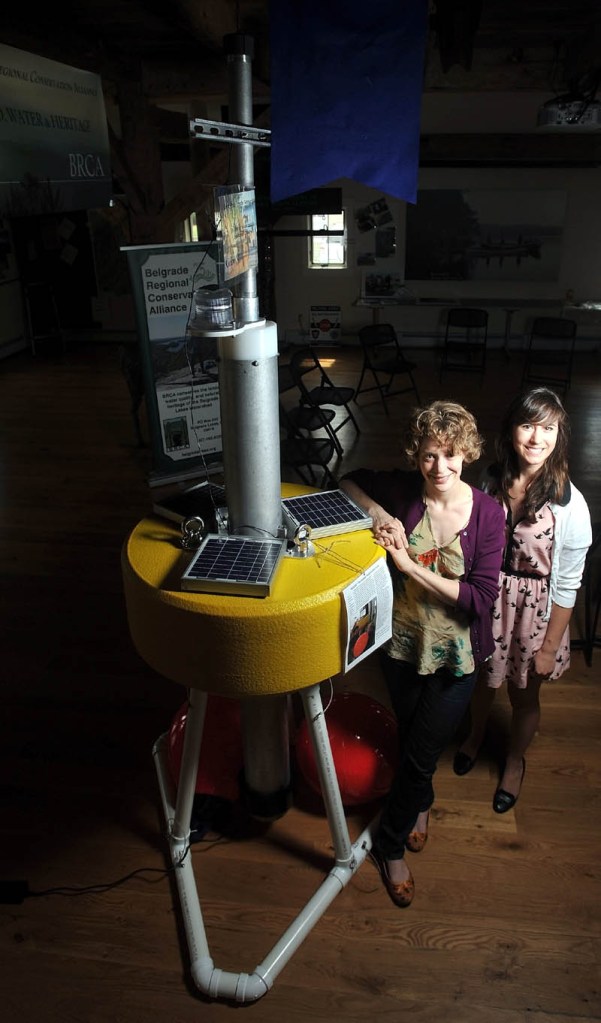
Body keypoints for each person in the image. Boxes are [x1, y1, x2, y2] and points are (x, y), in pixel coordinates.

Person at [340, 400, 505, 908]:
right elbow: (346, 481)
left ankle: (388, 847)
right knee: (413, 738)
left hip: (457, 659)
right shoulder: (405, 493)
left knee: (422, 752)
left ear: (468, 455)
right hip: (404, 647)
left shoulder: (489, 513)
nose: (440, 468)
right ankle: (421, 805)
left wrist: (410, 568)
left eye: (451, 455)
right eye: (430, 455)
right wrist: (380, 514)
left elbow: (480, 597)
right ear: (417, 455)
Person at [453, 387, 592, 814]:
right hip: (488, 603)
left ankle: (514, 761)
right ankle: (475, 735)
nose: (536, 438)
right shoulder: (490, 480)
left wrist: (550, 647)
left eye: (547, 428)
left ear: (559, 435)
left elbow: (568, 586)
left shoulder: (571, 506)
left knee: (524, 696)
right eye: (528, 425)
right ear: (512, 430)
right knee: (479, 683)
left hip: (535, 616)